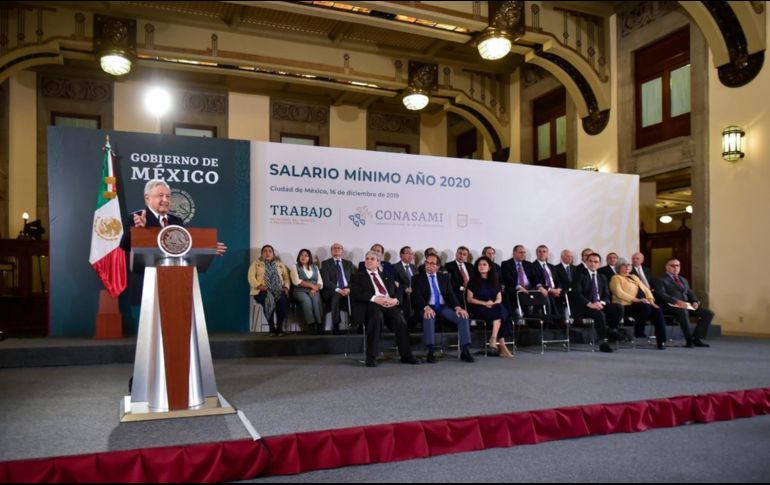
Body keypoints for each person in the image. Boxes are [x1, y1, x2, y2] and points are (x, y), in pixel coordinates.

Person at [350, 250, 420, 367]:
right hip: (370, 305)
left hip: (388, 304)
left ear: (378, 263)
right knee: (377, 317)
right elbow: (356, 293)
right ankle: (371, 357)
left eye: (372, 259)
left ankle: (406, 355)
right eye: (367, 258)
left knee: (400, 320)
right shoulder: (358, 276)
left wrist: (395, 300)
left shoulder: (387, 276)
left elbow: (398, 291)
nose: (368, 261)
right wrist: (374, 298)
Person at [411, 253, 475, 364]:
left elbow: (450, 294)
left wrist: (458, 307)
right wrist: (426, 307)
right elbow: (416, 296)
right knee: (429, 316)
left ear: (438, 266)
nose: (429, 265)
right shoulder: (417, 278)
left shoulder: (444, 277)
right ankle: (430, 352)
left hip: (442, 307)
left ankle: (465, 351)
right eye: (427, 262)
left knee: (463, 317)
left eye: (432, 263)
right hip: (427, 306)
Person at [654, 258, 713, 348]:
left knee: (708, 313)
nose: (676, 268)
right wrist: (676, 301)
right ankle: (689, 339)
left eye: (678, 265)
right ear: (667, 267)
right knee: (683, 311)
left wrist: (695, 301)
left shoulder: (683, 279)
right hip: (670, 305)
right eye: (672, 265)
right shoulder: (660, 279)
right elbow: (661, 294)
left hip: (686, 305)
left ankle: (697, 338)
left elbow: (690, 293)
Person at [571, 253, 624, 353]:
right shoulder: (579, 275)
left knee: (619, 307)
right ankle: (603, 342)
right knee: (600, 314)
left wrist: (602, 303)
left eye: (595, 262)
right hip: (584, 307)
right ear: (586, 262)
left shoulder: (602, 277)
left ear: (599, 264)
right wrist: (590, 304)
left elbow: (606, 295)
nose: (592, 264)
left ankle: (612, 330)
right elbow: (577, 294)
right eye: (590, 261)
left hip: (599, 304)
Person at [610, 258, 667, 349]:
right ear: (618, 267)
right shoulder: (616, 278)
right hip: (624, 306)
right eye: (624, 265)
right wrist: (637, 300)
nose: (627, 267)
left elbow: (646, 290)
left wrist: (652, 302)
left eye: (629, 265)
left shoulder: (634, 277)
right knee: (645, 306)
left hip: (641, 305)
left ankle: (661, 341)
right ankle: (639, 331)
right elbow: (618, 293)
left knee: (657, 310)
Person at [466, 256, 514, 358]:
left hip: (492, 307)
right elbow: (470, 299)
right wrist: (485, 303)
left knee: (500, 309)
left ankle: (495, 339)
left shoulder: (494, 281)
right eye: (479, 264)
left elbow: (499, 298)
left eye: (484, 264)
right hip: (478, 308)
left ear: (489, 267)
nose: (481, 267)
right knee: (502, 314)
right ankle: (500, 344)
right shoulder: (473, 281)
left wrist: (492, 303)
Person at [248, 244, 290, 337]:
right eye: (265, 251)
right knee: (268, 300)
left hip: (278, 290)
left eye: (270, 251)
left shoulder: (280, 264)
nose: (267, 253)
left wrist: (286, 287)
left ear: (273, 254)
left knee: (283, 301)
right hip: (262, 291)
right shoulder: (256, 263)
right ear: (262, 254)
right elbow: (251, 277)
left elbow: (286, 277)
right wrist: (259, 286)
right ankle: (271, 327)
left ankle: (279, 328)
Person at [320, 242, 355, 335]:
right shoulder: (325, 263)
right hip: (332, 290)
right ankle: (336, 325)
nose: (336, 249)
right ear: (331, 251)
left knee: (358, 296)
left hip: (347, 290)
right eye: (334, 248)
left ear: (342, 251)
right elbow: (326, 281)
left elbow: (354, 280)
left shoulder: (349, 264)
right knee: (336, 296)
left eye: (339, 248)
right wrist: (338, 289)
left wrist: (349, 289)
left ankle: (356, 325)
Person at [290, 248, 324, 335]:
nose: (303, 257)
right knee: (306, 301)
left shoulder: (315, 267)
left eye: (306, 255)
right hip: (299, 291)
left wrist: (315, 288)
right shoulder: (295, 266)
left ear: (309, 258)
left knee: (316, 299)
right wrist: (312, 286)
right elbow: (296, 281)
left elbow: (320, 282)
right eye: (301, 255)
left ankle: (319, 325)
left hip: (313, 290)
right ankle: (311, 325)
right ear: (299, 257)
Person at [393, 246, 418, 330]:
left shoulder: (414, 267)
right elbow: (394, 282)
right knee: (407, 297)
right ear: (401, 255)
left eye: (412, 254)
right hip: (402, 292)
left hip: (415, 291)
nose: (410, 255)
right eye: (408, 253)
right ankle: (409, 325)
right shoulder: (395, 267)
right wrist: (405, 288)